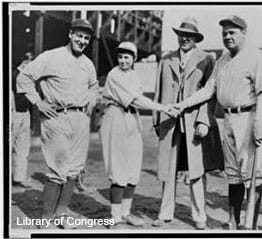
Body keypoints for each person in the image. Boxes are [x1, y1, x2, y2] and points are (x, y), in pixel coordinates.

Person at [174, 15, 262, 230]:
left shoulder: (257, 57)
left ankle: (250, 226)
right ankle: (233, 222)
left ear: (243, 33)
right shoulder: (222, 60)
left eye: (232, 32)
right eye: (224, 33)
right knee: (234, 176)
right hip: (228, 119)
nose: (227, 37)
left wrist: (260, 123)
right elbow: (209, 90)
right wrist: (183, 104)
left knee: (253, 176)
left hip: (250, 118)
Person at [17, 19, 99, 229]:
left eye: (86, 38)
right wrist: (38, 102)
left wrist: (91, 101)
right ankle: (45, 217)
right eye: (79, 35)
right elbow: (24, 77)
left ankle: (61, 215)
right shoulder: (51, 57)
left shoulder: (87, 63)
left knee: (73, 170)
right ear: (70, 34)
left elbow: (94, 85)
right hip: (56, 118)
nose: (82, 41)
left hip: (80, 119)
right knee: (57, 169)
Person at [152, 17, 220, 230]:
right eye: (181, 34)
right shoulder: (166, 59)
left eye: (189, 35)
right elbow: (157, 91)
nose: (185, 38)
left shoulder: (207, 59)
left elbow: (211, 95)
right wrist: (157, 121)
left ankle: (200, 216)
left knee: (196, 170)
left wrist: (203, 120)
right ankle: (165, 214)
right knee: (168, 169)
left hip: (193, 123)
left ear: (196, 38)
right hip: (170, 122)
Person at [100, 41, 176, 228]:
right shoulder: (114, 74)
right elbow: (136, 100)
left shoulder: (134, 74)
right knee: (118, 169)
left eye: (127, 57)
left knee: (133, 169)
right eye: (120, 56)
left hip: (131, 119)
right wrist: (163, 108)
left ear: (134, 59)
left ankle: (126, 212)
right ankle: (115, 216)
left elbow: (136, 102)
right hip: (115, 118)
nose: (123, 60)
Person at [11, 52, 34, 188]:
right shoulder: (13, 75)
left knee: (23, 148)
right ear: (25, 62)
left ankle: (19, 178)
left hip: (25, 114)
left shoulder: (29, 78)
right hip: (13, 114)